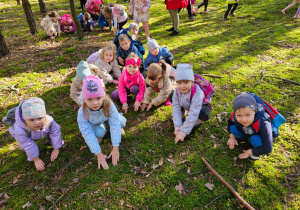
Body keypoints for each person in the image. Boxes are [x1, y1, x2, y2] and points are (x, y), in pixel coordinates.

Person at [77, 75, 126, 169]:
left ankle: (117, 124)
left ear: (103, 97)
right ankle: (102, 128)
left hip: (108, 117)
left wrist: (115, 148)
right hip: (95, 122)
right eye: (90, 99)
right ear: (84, 100)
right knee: (99, 134)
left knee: (120, 123)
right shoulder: (82, 112)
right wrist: (98, 154)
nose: (95, 103)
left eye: (98, 98)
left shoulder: (109, 104)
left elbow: (114, 123)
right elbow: (86, 133)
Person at [7, 97, 63, 171]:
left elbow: (55, 133)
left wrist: (56, 148)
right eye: (32, 120)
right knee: (23, 146)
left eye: (40, 118)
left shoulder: (49, 120)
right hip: (25, 134)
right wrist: (36, 159)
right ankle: (31, 155)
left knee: (57, 127)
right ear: (25, 120)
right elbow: (27, 144)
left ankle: (50, 141)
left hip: (42, 131)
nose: (37, 122)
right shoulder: (20, 129)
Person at [227, 93, 285, 160]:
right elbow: (230, 123)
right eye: (239, 115)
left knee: (256, 140)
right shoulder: (234, 116)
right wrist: (232, 137)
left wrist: (249, 152)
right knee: (233, 129)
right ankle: (244, 138)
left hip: (260, 136)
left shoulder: (264, 123)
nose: (243, 119)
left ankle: (257, 154)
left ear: (255, 112)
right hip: (248, 131)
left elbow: (268, 148)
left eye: (247, 115)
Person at [169, 64, 211, 143]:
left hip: (199, 106)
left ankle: (198, 121)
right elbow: (175, 108)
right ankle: (183, 112)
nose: (182, 86)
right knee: (171, 96)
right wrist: (177, 127)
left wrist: (183, 132)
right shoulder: (177, 91)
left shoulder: (197, 93)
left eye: (186, 82)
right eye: (179, 83)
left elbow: (193, 113)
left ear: (192, 82)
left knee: (204, 113)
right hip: (187, 103)